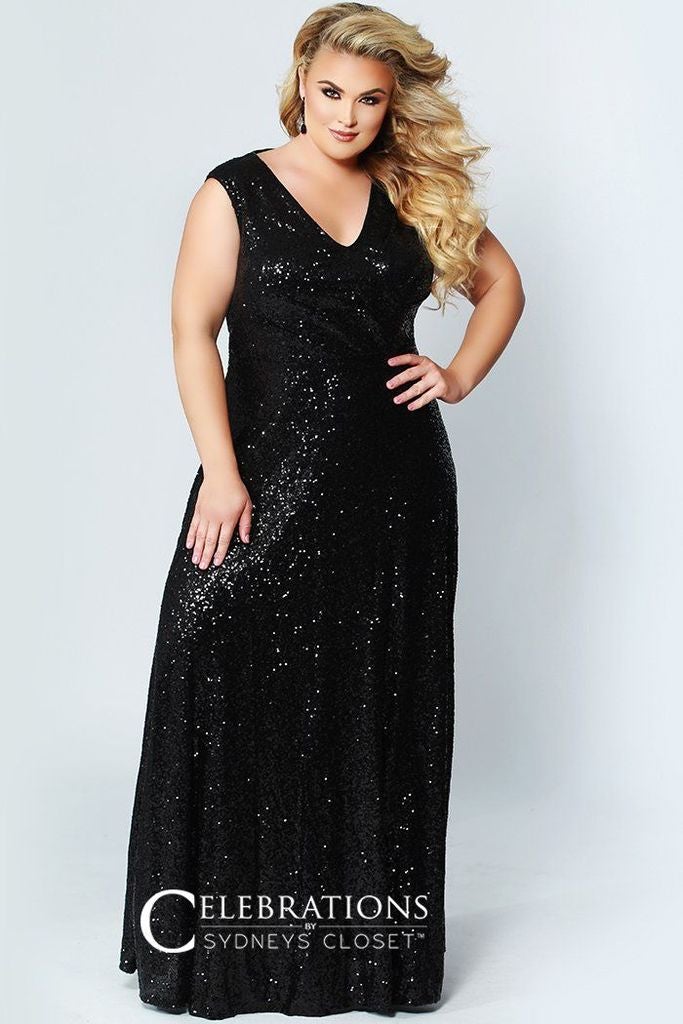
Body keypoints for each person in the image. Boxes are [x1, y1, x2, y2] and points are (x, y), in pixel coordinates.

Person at [118, 2, 525, 1018]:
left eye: (369, 100)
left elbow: (502, 286)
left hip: (396, 492)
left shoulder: (413, 189)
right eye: (332, 91)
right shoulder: (235, 190)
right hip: (265, 475)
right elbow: (191, 330)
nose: (345, 115)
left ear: (392, 105)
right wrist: (222, 474)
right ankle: (223, 949)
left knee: (373, 700)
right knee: (210, 650)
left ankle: (353, 959)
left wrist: (457, 375)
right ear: (301, 79)